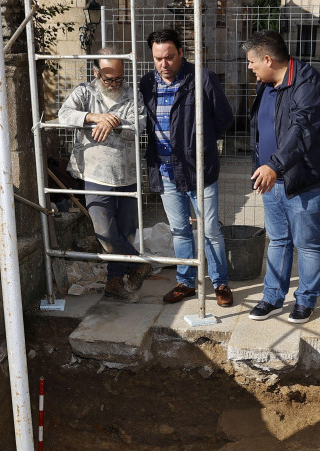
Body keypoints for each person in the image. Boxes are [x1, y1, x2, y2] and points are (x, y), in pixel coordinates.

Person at [243, 30, 320, 324]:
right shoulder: (267, 84)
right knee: (277, 240)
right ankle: (273, 298)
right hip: (272, 179)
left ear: (267, 58)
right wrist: (264, 167)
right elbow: (262, 130)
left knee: (307, 242)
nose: (249, 67)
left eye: (252, 62)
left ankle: (306, 301)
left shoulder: (308, 83)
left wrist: (274, 165)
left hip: (307, 181)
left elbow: (302, 130)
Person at [140, 29, 235, 307]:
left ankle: (220, 283)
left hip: (198, 169)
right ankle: (186, 282)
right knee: (179, 229)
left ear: (181, 53)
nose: (164, 64)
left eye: (169, 57)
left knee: (209, 230)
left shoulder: (201, 78)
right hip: (164, 168)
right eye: (158, 58)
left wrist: (198, 145)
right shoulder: (147, 83)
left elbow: (224, 118)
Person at [58, 48, 150, 302]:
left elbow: (140, 125)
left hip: (128, 173)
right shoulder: (85, 92)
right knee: (106, 233)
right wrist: (94, 116)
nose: (114, 83)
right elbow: (63, 115)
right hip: (96, 173)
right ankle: (138, 263)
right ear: (96, 73)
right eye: (108, 79)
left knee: (125, 232)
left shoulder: (133, 95)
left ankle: (114, 283)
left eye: (119, 78)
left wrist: (114, 121)